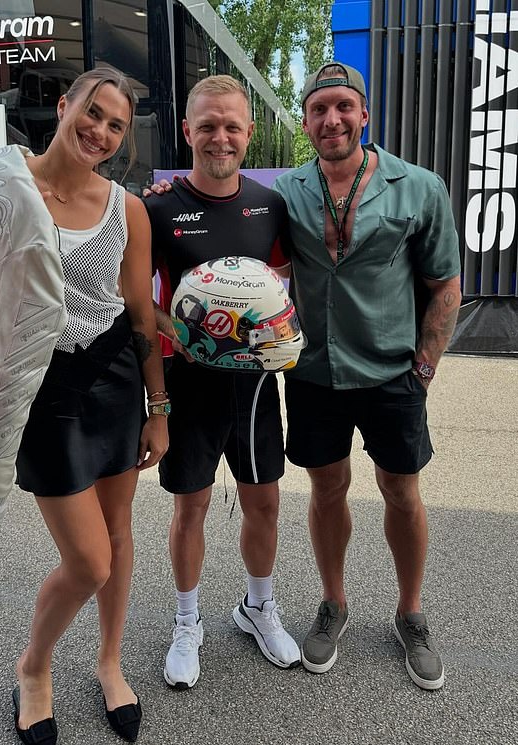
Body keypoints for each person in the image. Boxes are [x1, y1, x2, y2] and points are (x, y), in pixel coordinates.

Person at [0, 67, 168, 745]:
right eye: (93, 113)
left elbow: (141, 311)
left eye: (116, 125)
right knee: (89, 559)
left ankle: (110, 662)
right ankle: (34, 667)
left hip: (115, 379)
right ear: (64, 106)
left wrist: (159, 405)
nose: (101, 131)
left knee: (118, 536)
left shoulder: (127, 209)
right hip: (38, 390)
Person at [273, 62, 462, 691]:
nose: (332, 119)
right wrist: (164, 199)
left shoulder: (420, 186)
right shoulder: (288, 191)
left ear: (365, 114)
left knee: (402, 493)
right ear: (306, 121)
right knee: (327, 493)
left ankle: (411, 612)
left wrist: (425, 368)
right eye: (319, 109)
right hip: (314, 373)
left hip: (392, 375)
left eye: (343, 107)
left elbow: (445, 284)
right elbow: (225, 212)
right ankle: (335, 603)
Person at [143, 74, 300, 690]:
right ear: (186, 131)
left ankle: (257, 607)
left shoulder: (270, 205)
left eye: (232, 125)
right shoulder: (155, 207)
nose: (220, 136)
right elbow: (135, 302)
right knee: (193, 504)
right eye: (206, 124)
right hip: (189, 384)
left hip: (256, 386)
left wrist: (281, 332)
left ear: (249, 133)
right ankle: (188, 622)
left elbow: (282, 289)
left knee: (264, 500)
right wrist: (177, 327)